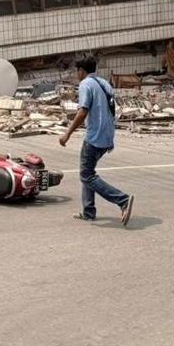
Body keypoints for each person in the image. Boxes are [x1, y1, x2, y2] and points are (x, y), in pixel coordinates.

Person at [59, 55, 135, 225]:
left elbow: (82, 111)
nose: (76, 74)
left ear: (81, 70)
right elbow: (112, 110)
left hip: (94, 137)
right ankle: (88, 211)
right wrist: (111, 136)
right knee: (88, 173)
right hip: (106, 136)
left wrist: (67, 134)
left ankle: (122, 200)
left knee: (86, 175)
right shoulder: (104, 83)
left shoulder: (85, 84)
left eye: (77, 71)